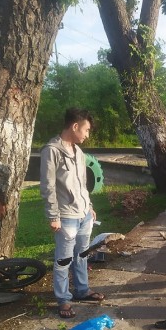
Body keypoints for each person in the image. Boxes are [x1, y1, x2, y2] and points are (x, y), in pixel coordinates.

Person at [40, 107, 105, 319]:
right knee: (63, 259)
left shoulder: (79, 152)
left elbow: (82, 184)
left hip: (84, 214)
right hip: (66, 216)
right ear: (75, 126)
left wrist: (90, 206)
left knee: (82, 254)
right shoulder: (52, 150)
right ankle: (63, 299)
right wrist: (53, 216)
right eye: (86, 130)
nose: (87, 135)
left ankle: (82, 289)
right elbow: (48, 186)